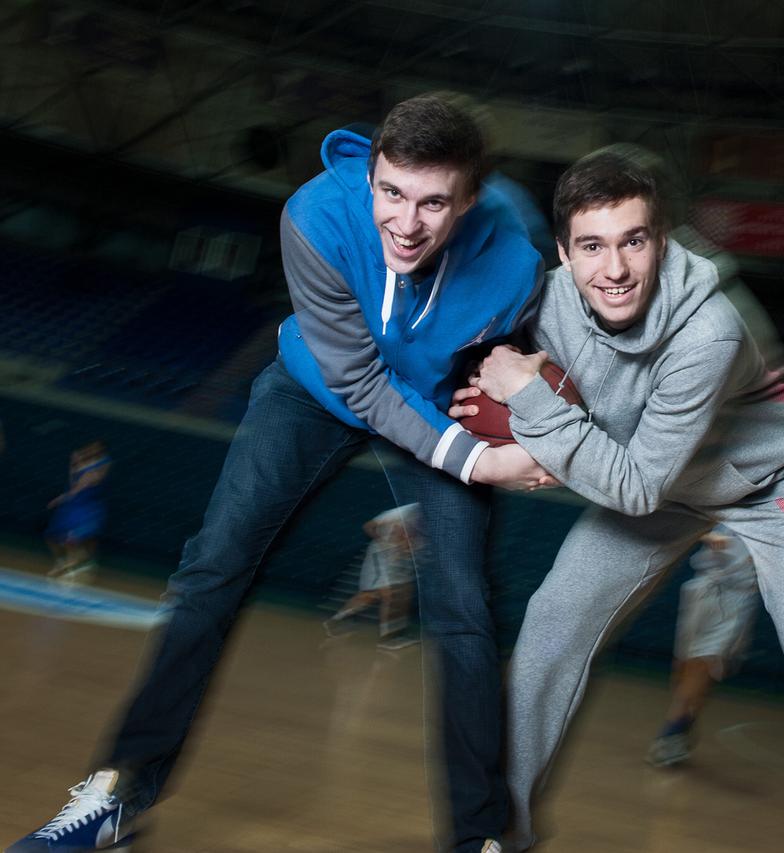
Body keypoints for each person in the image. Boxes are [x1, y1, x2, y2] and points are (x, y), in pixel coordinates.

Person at [8, 93, 547, 853]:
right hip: (316, 390)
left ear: (470, 201)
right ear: (372, 175)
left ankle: (479, 839)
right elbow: (359, 383)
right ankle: (116, 796)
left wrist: (530, 407)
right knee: (213, 567)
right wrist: (485, 458)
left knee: (465, 612)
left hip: (432, 410)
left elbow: (530, 360)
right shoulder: (315, 216)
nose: (405, 219)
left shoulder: (516, 261)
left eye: (434, 202)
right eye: (390, 191)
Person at [453, 144, 784, 852]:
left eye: (633, 241)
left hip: (774, 483)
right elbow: (498, 379)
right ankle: (496, 830)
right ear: (564, 251)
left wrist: (536, 408)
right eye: (592, 246)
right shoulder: (544, 301)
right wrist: (509, 402)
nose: (613, 269)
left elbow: (634, 484)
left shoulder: (710, 329)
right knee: (554, 616)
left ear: (661, 239)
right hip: (657, 480)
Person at [646, 526, 760, 768]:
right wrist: (707, 534)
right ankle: (684, 723)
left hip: (738, 596)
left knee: (705, 663)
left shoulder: (781, 501)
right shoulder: (723, 491)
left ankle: (671, 733)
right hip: (702, 587)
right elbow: (691, 520)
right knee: (685, 669)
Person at [324, 504, 422, 650]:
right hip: (381, 556)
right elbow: (368, 526)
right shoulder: (404, 511)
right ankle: (387, 639)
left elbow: (410, 541)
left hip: (399, 557)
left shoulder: (432, 517)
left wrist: (406, 549)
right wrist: (386, 543)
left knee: (401, 593)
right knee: (386, 594)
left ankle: (396, 633)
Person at [46, 440, 111, 580]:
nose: (92, 450)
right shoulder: (81, 463)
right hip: (73, 505)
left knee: (73, 539)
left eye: (96, 448)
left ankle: (76, 566)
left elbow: (81, 486)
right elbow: (73, 483)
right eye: (91, 447)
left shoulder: (101, 466)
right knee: (53, 537)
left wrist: (60, 498)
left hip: (85, 506)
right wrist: (74, 463)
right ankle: (67, 564)